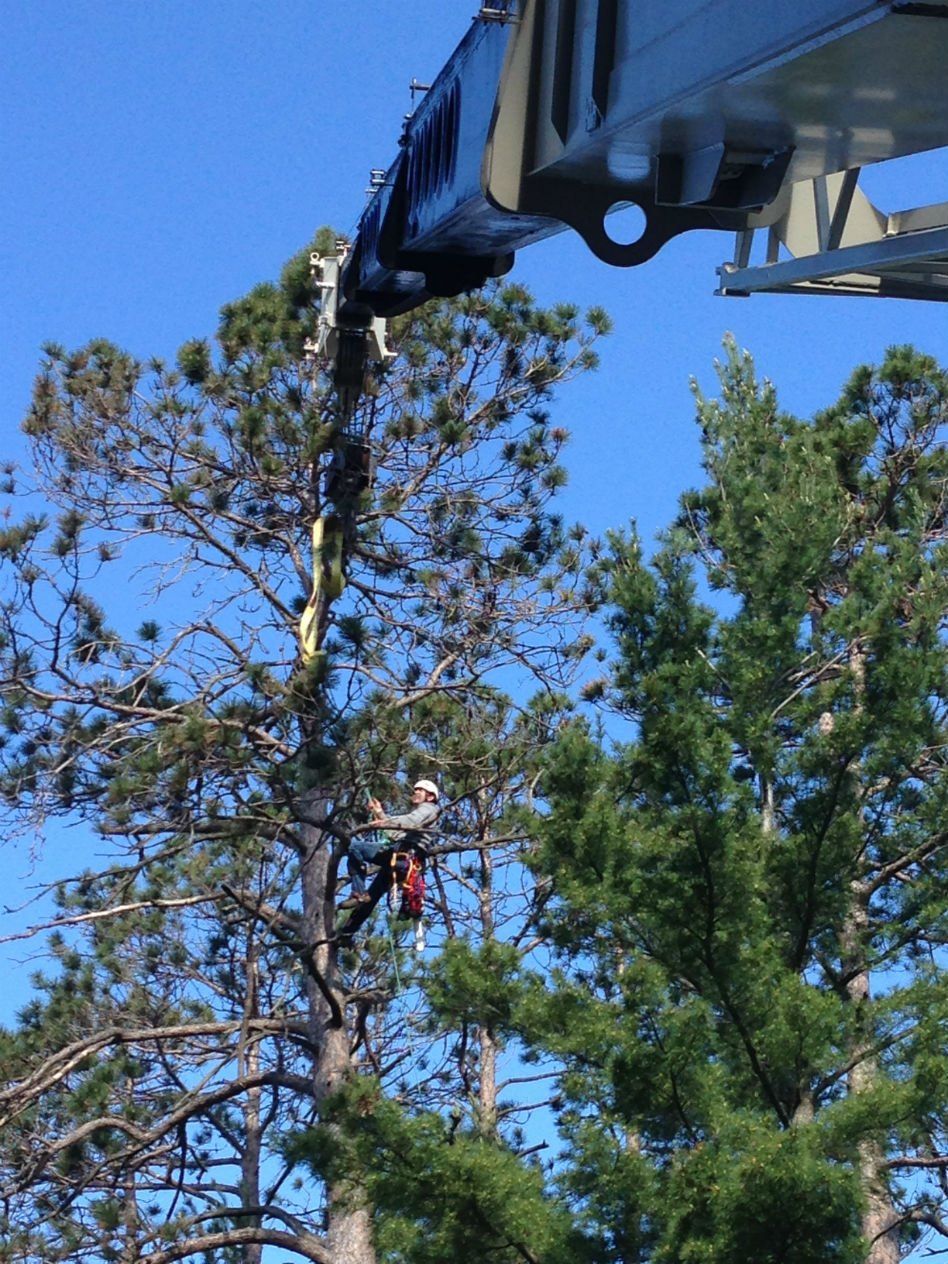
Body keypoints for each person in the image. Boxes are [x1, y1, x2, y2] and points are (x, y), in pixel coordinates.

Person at [340, 779, 440, 909]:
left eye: (420, 790)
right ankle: (351, 923)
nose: (415, 792)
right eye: (415, 790)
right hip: (401, 859)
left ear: (430, 796)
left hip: (406, 856)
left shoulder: (429, 809)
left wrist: (384, 821)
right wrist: (380, 814)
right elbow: (396, 833)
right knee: (370, 898)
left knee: (355, 847)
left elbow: (411, 821)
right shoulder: (421, 816)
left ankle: (358, 892)